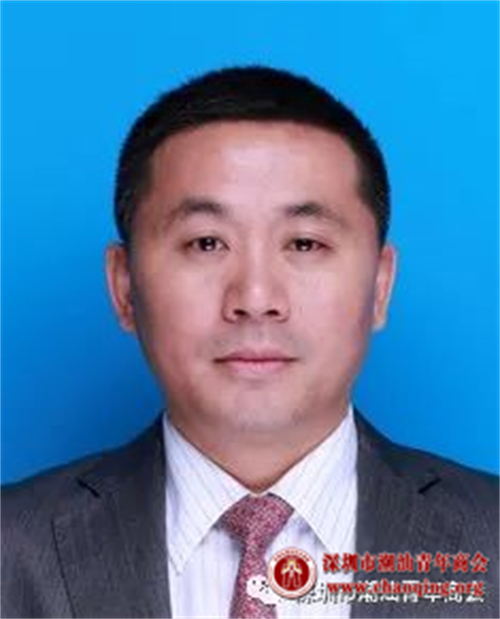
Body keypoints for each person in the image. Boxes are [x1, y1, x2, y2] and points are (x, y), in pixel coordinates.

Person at [1, 66, 498, 619]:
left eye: (304, 244)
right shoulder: (11, 551)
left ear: (380, 287)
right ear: (124, 287)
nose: (256, 298)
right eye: (206, 243)